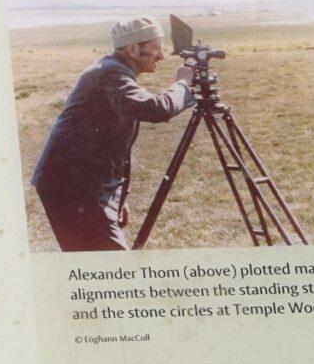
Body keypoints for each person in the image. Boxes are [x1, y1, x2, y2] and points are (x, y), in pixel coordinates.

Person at [30, 15, 196, 251]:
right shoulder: (109, 73)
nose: (161, 56)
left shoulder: (114, 71)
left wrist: (117, 197)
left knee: (94, 263)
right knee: (110, 265)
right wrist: (183, 83)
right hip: (73, 186)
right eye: (156, 48)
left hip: (83, 184)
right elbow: (155, 109)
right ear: (132, 49)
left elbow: (117, 146)